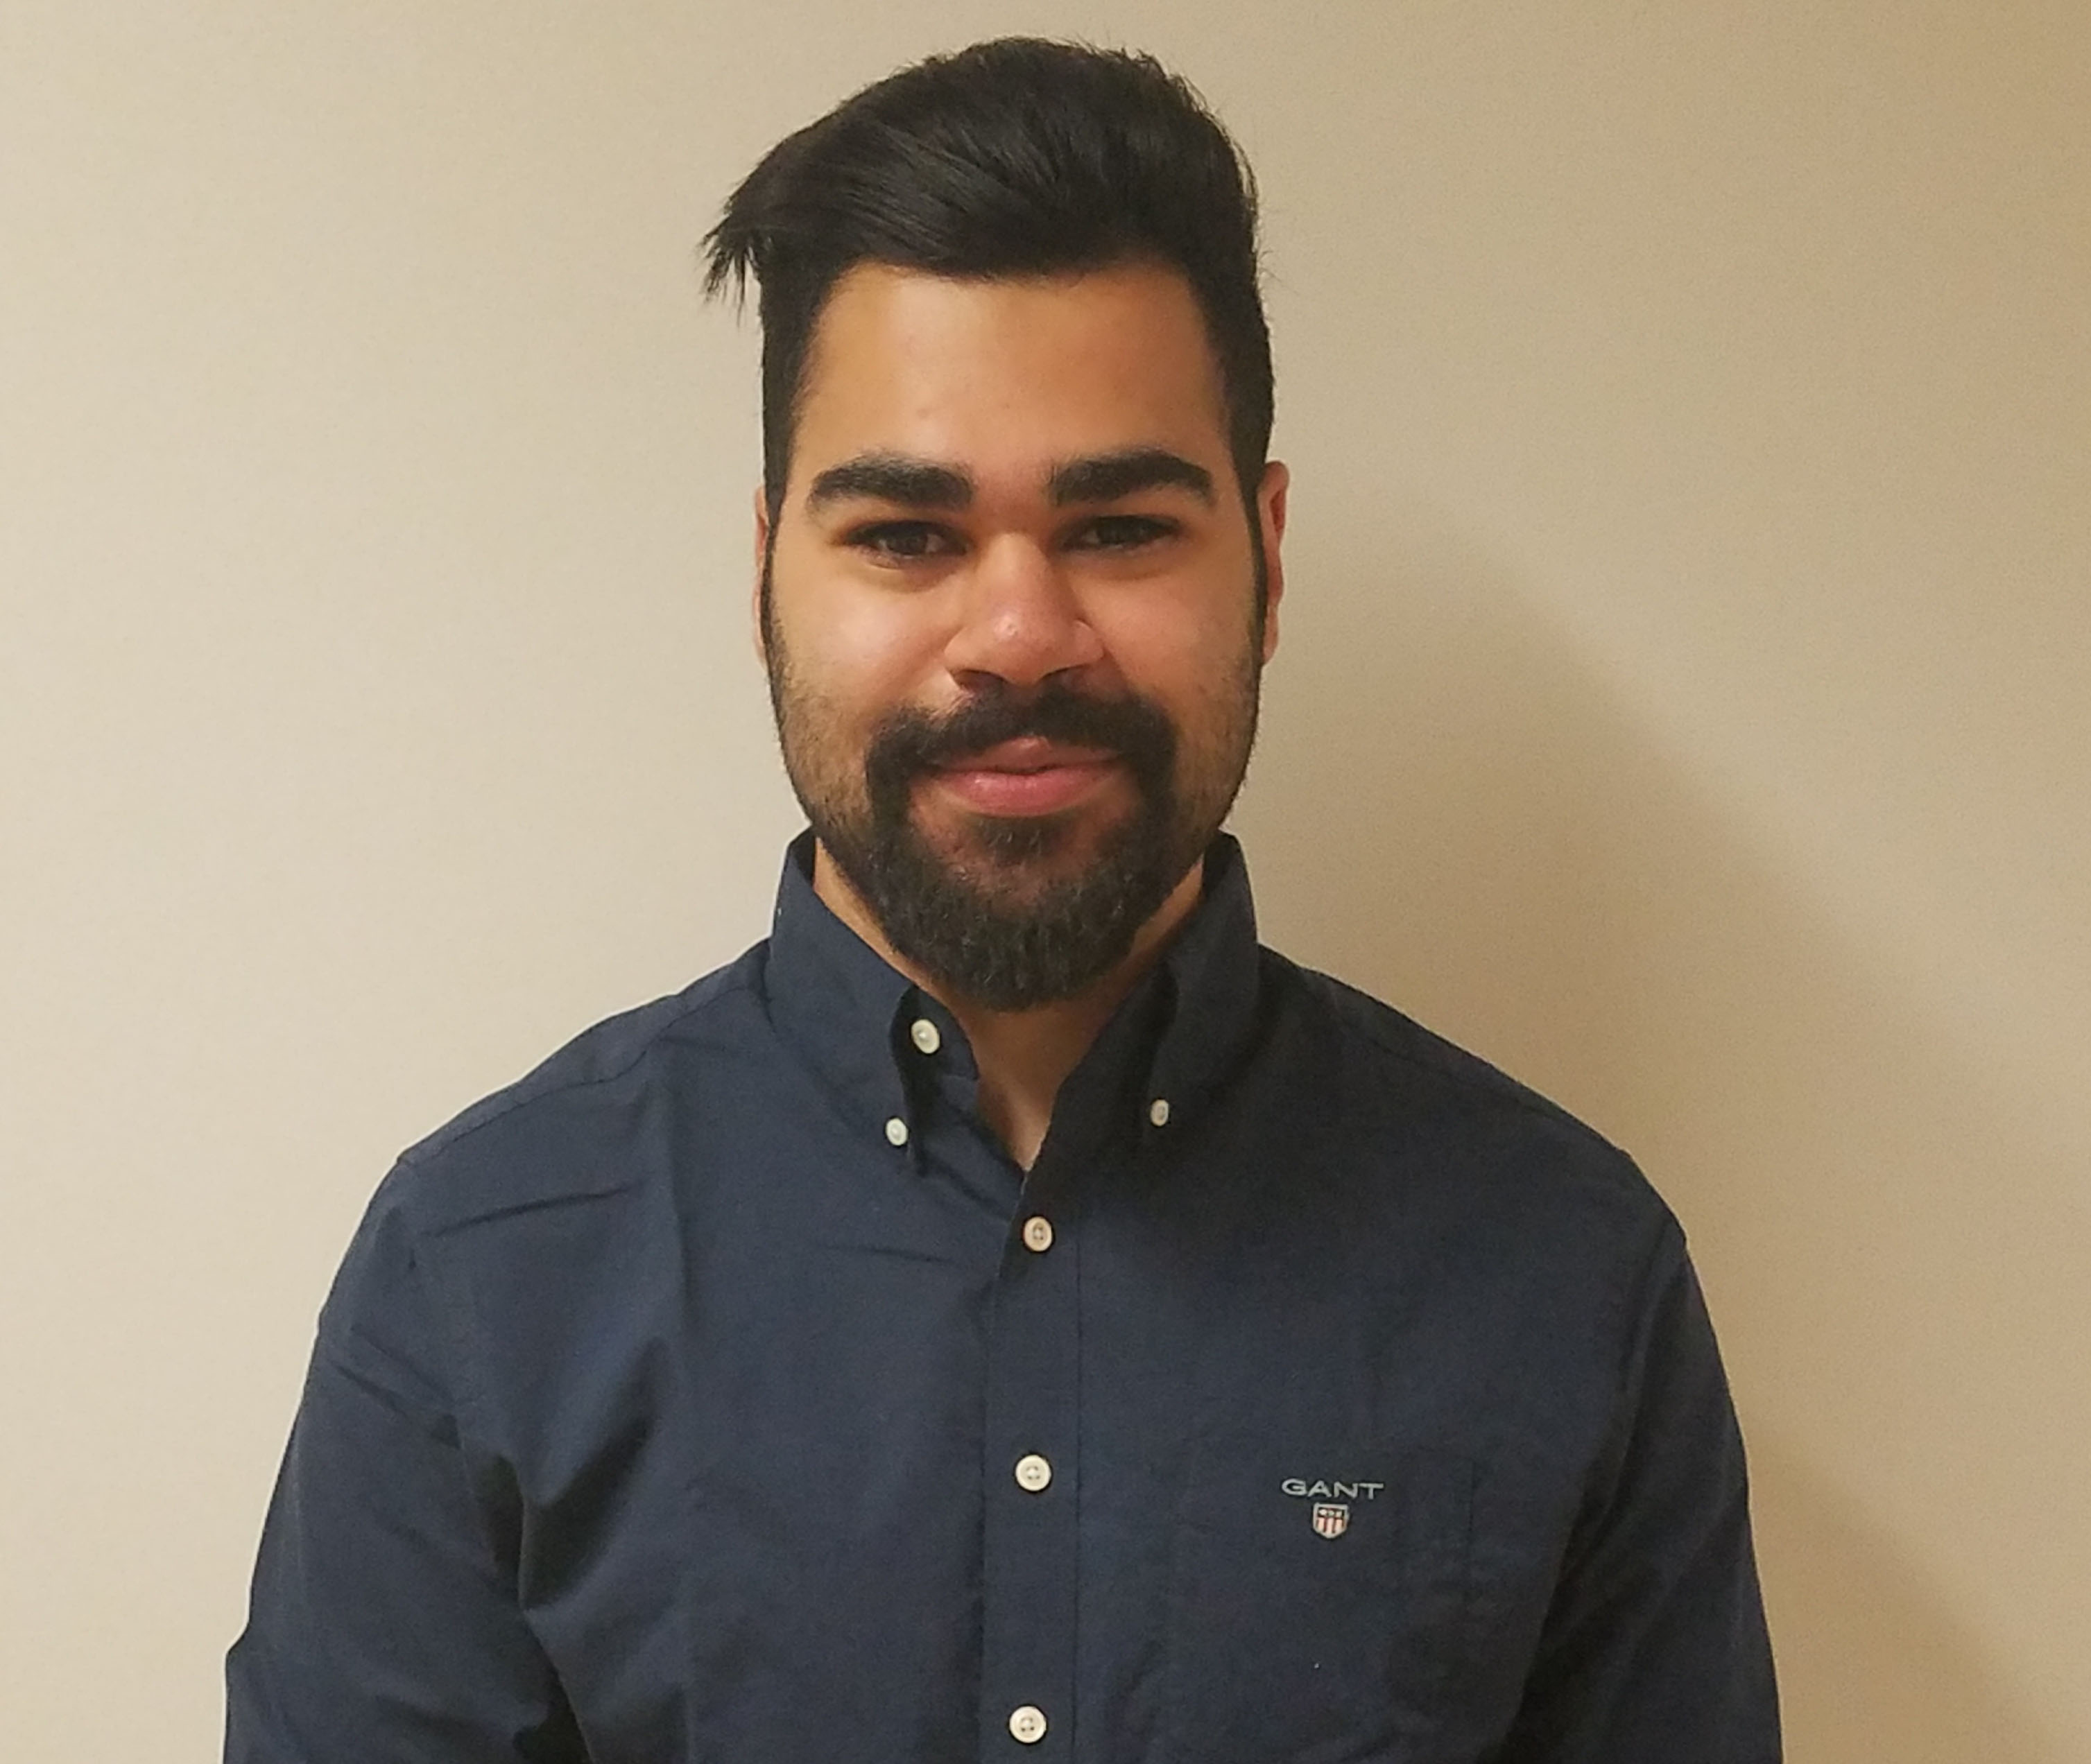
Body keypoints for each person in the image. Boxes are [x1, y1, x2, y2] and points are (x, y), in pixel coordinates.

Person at [226, 37, 1779, 1763]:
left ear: (1267, 558)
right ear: (765, 574)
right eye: (906, 535)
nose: (1021, 636)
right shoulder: (482, 1274)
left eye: (1119, 527)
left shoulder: (1563, 1269)